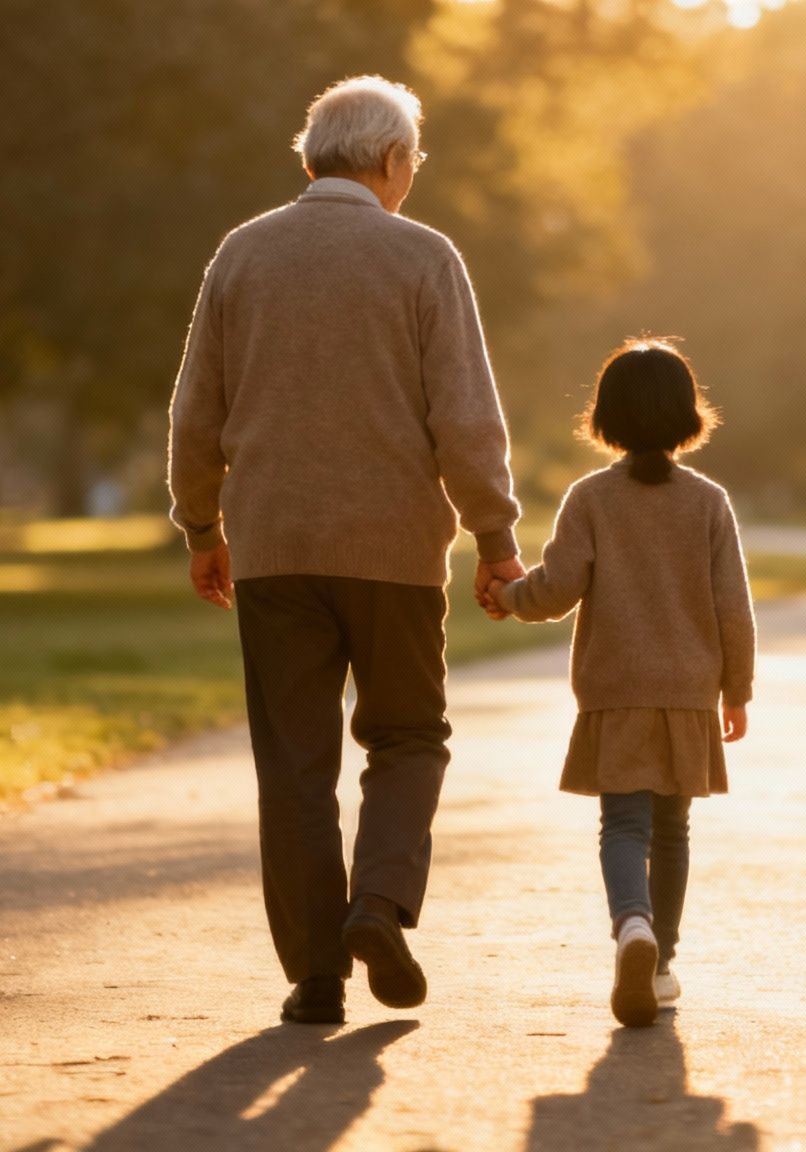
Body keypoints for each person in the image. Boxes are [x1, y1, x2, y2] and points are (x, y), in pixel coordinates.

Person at [166, 75, 525, 1025]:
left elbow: (195, 412)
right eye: (414, 163)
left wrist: (203, 527)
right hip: (397, 550)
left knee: (294, 762)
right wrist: (495, 537)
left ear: (313, 158)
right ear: (393, 161)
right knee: (407, 736)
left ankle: (315, 977)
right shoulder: (423, 257)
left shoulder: (241, 255)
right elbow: (465, 418)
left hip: (275, 548)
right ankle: (379, 904)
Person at [486, 339, 755, 1027]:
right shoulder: (709, 503)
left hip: (615, 687)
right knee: (673, 829)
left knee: (623, 823)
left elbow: (559, 587)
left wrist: (510, 596)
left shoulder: (590, 499)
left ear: (605, 417)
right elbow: (733, 606)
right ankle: (661, 962)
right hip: (688, 691)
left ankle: (630, 926)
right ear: (686, 416)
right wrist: (738, 689)